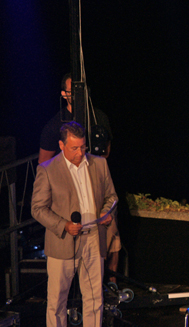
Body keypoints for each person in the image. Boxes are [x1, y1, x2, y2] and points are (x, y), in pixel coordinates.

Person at [32, 122, 117, 327]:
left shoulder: (98, 164)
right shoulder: (48, 169)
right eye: (74, 148)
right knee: (58, 297)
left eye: (82, 147)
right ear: (61, 145)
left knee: (94, 295)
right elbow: (37, 208)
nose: (80, 153)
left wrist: (106, 212)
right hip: (63, 242)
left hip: (93, 238)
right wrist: (63, 225)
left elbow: (112, 196)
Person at [38, 73, 121, 284]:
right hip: (69, 203)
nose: (77, 96)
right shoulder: (54, 126)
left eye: (81, 91)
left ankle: (110, 285)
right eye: (73, 91)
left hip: (96, 192)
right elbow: (44, 164)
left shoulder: (98, 117)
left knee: (112, 240)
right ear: (65, 94)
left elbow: (106, 152)